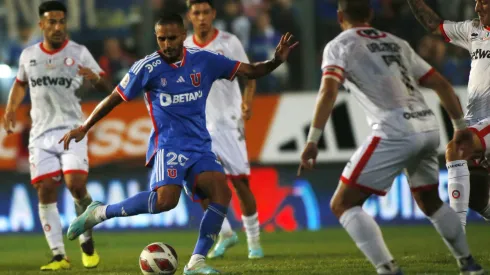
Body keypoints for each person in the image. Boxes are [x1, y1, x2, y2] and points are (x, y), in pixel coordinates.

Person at [60, 13, 297, 274]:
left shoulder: (204, 60)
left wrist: (275, 61)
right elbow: (114, 97)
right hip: (169, 145)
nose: (167, 44)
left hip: (200, 145)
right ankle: (101, 212)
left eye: (172, 38)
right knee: (165, 202)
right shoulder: (146, 67)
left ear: (183, 35)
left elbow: (249, 70)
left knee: (222, 192)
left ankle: (196, 261)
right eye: (161, 38)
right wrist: (85, 126)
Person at [298, 0, 484, 274]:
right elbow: (441, 84)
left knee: (343, 204)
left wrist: (313, 140)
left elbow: (328, 91)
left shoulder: (339, 45)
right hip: (428, 126)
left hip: (394, 129)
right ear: (370, 14)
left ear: (339, 16)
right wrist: (458, 127)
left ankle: (388, 269)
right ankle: (469, 264)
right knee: (430, 201)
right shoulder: (396, 42)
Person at [2, 1, 111, 271]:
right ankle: (59, 255)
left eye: (62, 21)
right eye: (51, 22)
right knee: (45, 191)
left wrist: (93, 78)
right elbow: (20, 84)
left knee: (75, 185)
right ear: (42, 25)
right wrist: (10, 109)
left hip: (72, 129)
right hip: (40, 134)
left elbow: (106, 85)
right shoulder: (28, 55)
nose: (57, 26)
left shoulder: (79, 52)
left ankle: (87, 237)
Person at [184, 0, 263, 259]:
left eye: (206, 12)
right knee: (201, 184)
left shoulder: (230, 42)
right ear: (190, 16)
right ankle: (227, 233)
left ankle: (254, 243)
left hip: (228, 122)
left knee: (240, 184)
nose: (202, 17)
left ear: (213, 14)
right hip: (198, 126)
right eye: (197, 13)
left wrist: (247, 103)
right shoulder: (184, 46)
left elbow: (249, 74)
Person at [407, 0, 490, 232]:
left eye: (483, 2)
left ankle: (457, 232)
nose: (477, 8)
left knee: (456, 149)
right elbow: (435, 25)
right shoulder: (474, 30)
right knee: (477, 197)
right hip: (477, 122)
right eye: (475, 2)